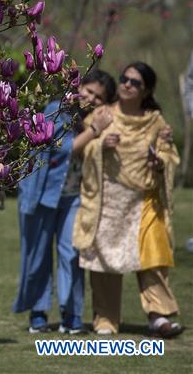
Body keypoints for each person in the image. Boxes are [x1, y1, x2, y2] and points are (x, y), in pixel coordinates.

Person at [73, 62, 183, 338]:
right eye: (125, 79)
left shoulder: (156, 121)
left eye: (135, 82)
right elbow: (82, 149)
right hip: (107, 200)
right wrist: (101, 144)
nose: (127, 85)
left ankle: (159, 317)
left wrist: (160, 162)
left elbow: (170, 156)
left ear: (146, 91)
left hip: (144, 200)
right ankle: (106, 320)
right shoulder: (102, 114)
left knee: (152, 258)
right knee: (106, 261)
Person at [13, 71, 116, 334]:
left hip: (72, 197)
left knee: (71, 255)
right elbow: (62, 149)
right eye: (88, 90)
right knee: (38, 256)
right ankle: (38, 313)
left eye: (98, 97)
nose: (89, 98)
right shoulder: (56, 110)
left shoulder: (92, 120)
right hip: (41, 196)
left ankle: (71, 315)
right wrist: (95, 131)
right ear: (78, 86)